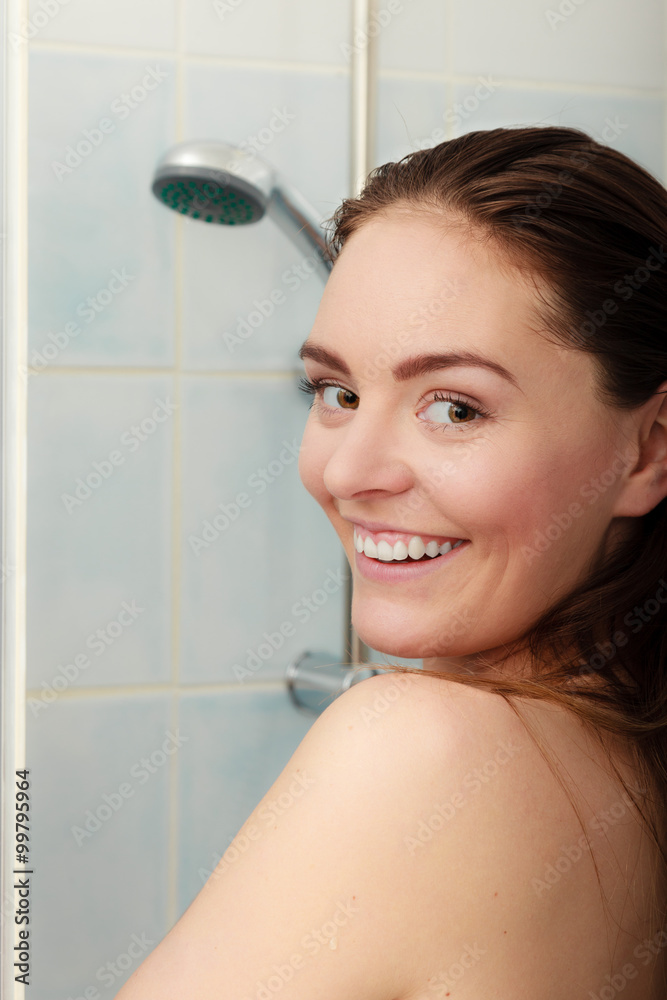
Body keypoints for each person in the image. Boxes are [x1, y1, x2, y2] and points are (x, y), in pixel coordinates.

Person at [115, 125, 667, 999]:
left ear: (646, 451)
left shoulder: (416, 750)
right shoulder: (628, 756)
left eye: (453, 408)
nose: (346, 472)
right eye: (336, 393)